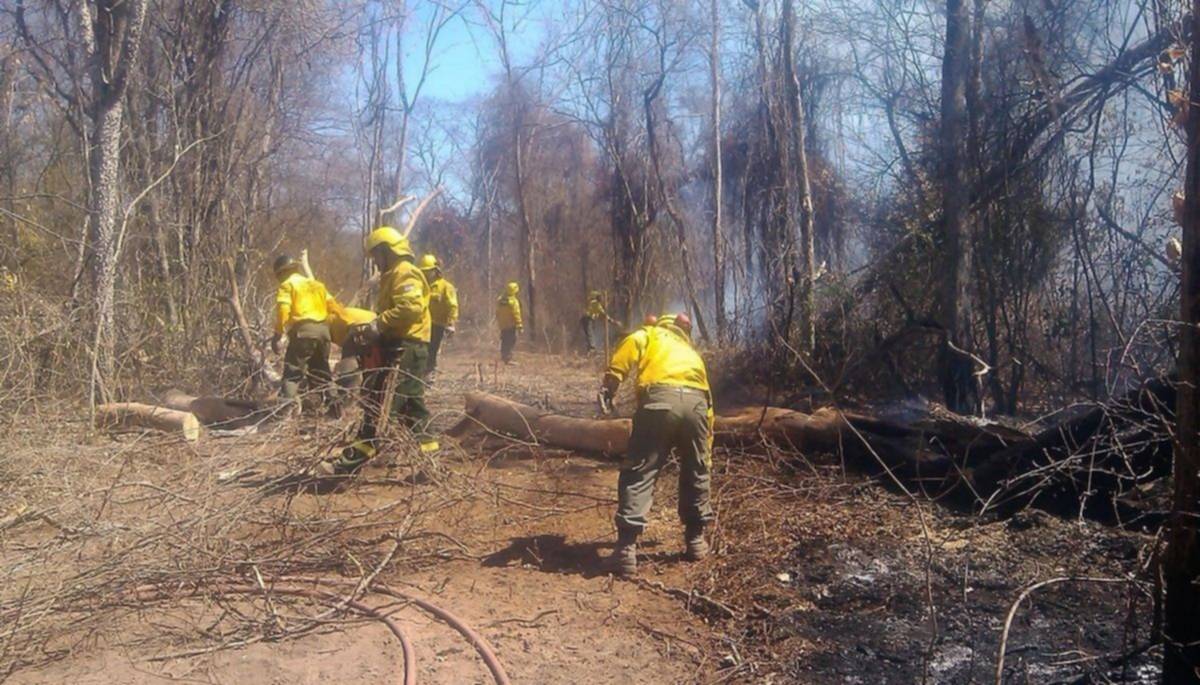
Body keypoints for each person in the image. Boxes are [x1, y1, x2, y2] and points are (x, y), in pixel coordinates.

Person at [600, 313, 714, 578]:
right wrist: (707, 446)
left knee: (641, 469)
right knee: (696, 469)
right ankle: (695, 541)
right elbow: (709, 404)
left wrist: (610, 384)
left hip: (660, 400)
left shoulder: (650, 334)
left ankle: (626, 550)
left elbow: (629, 347)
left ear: (660, 324)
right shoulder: (691, 352)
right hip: (696, 405)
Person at [317, 227, 437, 476]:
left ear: (386, 251)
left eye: (376, 256)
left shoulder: (405, 273)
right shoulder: (393, 274)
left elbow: (411, 308)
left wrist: (378, 324)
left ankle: (348, 465)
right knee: (412, 410)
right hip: (406, 348)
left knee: (379, 406)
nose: (375, 262)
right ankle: (431, 463)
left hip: (406, 348)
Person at [271, 255, 335, 413]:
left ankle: (284, 413)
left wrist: (278, 334)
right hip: (324, 331)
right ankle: (335, 408)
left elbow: (283, 311)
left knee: (292, 374)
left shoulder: (287, 285)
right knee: (322, 372)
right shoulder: (316, 284)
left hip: (303, 332)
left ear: (281, 273)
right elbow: (333, 306)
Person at [420, 254, 458, 377]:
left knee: (433, 351)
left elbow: (452, 306)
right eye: (423, 272)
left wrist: (451, 323)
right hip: (423, 324)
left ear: (436, 271)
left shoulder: (446, 287)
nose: (425, 274)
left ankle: (430, 375)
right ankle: (421, 374)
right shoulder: (421, 286)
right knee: (421, 351)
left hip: (438, 324)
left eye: (428, 271)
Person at [496, 282, 523, 364]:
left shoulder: (500, 299)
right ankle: (508, 359)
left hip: (502, 324)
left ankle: (504, 356)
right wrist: (519, 325)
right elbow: (516, 314)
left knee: (504, 340)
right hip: (511, 325)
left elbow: (497, 312)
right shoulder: (513, 301)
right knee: (511, 341)